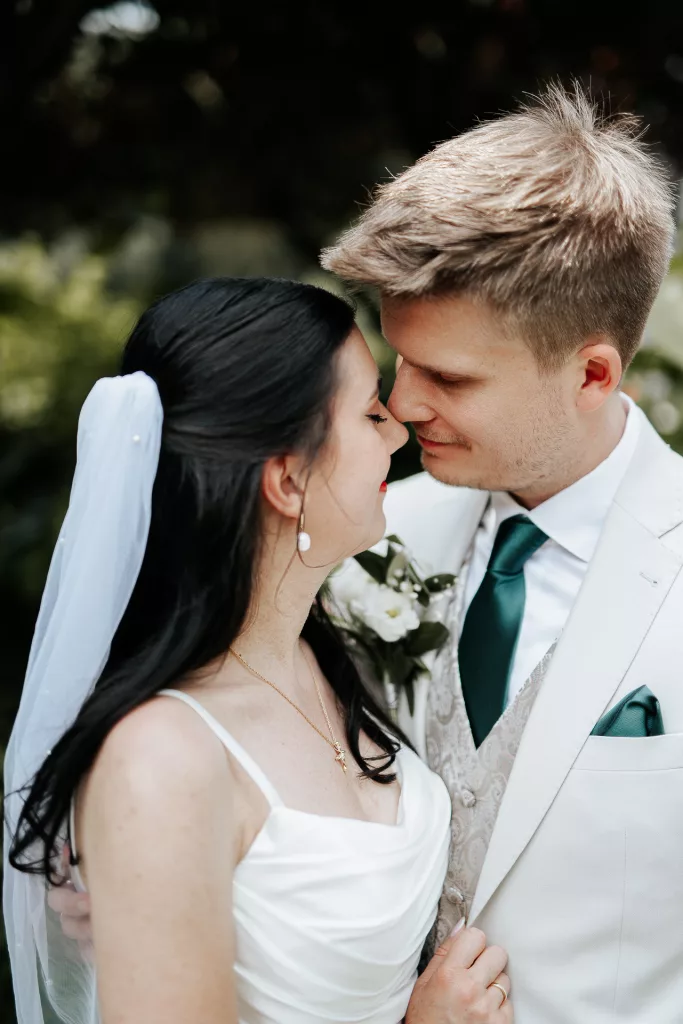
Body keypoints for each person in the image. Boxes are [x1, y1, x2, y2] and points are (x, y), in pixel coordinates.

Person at [4, 277, 513, 1024]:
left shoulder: (325, 654)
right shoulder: (160, 759)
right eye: (370, 411)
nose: (398, 430)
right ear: (285, 478)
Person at [320, 83, 683, 1022]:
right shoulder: (364, 543)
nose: (400, 406)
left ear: (592, 373)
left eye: (447, 377)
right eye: (400, 361)